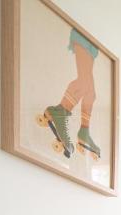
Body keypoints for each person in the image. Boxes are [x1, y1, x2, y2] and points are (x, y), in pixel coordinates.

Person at [38, 29, 100, 160]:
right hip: (83, 36)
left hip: (92, 43)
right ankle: (60, 111)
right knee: (84, 82)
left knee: (91, 93)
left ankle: (84, 131)